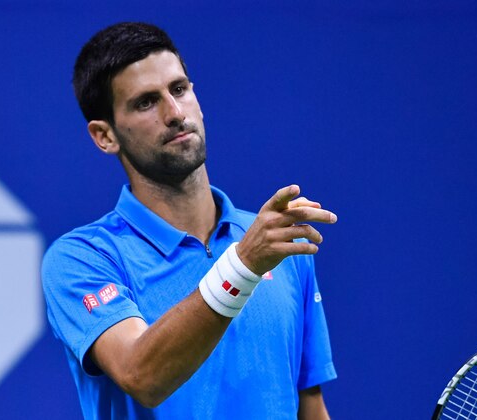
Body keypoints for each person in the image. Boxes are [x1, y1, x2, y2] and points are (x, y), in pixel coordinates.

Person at [42, 22, 338, 419]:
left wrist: (249, 258)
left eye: (179, 89)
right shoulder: (82, 259)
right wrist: (242, 266)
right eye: (146, 102)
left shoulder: (276, 244)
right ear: (105, 136)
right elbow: (141, 374)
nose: (175, 113)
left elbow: (309, 407)